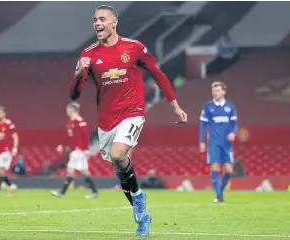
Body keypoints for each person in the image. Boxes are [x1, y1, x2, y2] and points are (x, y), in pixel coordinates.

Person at [68, 5, 187, 236]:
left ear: (114, 23)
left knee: (118, 154)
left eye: (102, 19)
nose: (97, 23)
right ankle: (143, 216)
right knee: (120, 171)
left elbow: (157, 73)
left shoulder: (134, 48)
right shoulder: (88, 55)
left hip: (132, 112)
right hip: (106, 121)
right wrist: (77, 73)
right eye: (94, 20)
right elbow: (74, 94)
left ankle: (139, 200)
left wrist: (174, 104)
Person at [199, 81, 238, 203]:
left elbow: (235, 123)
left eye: (217, 90)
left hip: (226, 143)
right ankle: (219, 195)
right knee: (215, 166)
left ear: (223, 91)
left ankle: (220, 192)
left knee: (229, 170)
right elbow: (203, 125)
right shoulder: (208, 106)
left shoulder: (230, 106)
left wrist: (233, 133)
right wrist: (201, 141)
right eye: (213, 91)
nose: (214, 93)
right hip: (213, 142)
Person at [51, 102, 98, 199]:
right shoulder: (71, 122)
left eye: (68, 109)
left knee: (70, 170)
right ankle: (94, 192)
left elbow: (85, 136)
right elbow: (69, 137)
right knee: (84, 171)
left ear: (71, 110)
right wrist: (62, 145)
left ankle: (62, 193)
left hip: (78, 150)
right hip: (76, 150)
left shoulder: (80, 122)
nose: (67, 111)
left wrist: (85, 149)